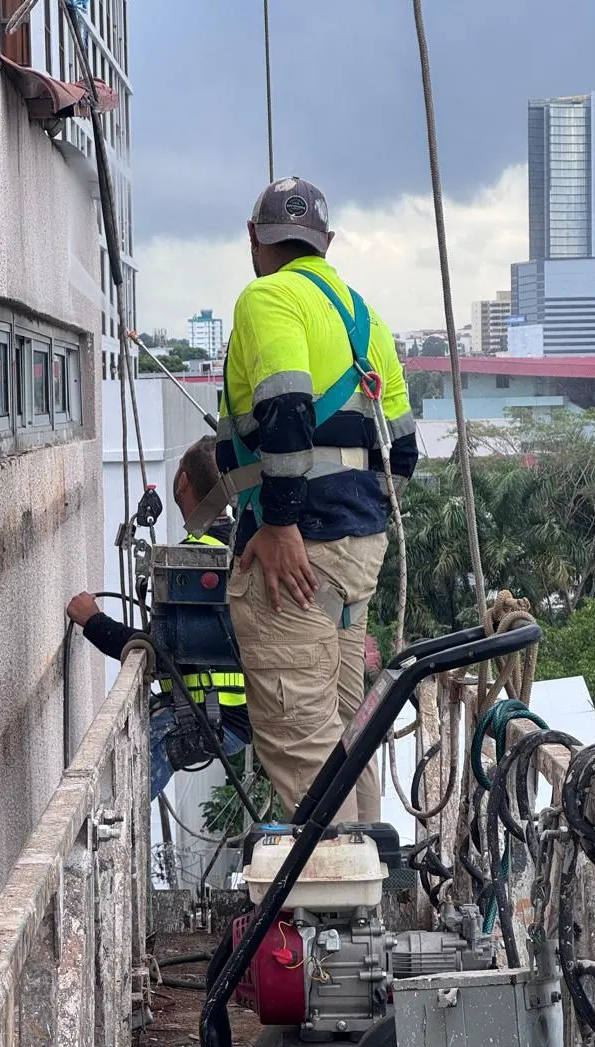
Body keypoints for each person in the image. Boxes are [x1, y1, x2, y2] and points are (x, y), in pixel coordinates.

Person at [202, 176, 417, 823]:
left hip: (296, 554)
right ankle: (370, 867)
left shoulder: (266, 297)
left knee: (302, 748)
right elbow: (403, 452)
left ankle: (334, 881)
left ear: (254, 237)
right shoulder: (365, 318)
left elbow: (287, 404)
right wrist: (352, 521)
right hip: (358, 549)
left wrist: (282, 524)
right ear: (327, 241)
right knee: (347, 738)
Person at [66, 438, 250, 799]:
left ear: (183, 482)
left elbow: (155, 652)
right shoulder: (240, 544)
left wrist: (93, 621)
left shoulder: (192, 560)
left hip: (207, 717)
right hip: (230, 717)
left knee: (112, 795)